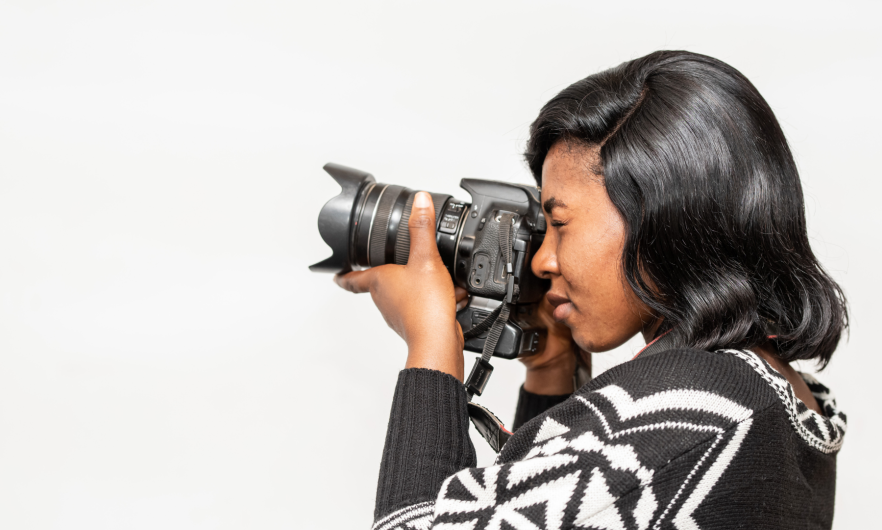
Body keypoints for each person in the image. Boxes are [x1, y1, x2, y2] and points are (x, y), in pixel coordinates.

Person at [335, 51, 848, 530]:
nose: (542, 259)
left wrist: (430, 346)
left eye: (559, 222)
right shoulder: (768, 395)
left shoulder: (691, 404)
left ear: (658, 217)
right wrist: (555, 371)